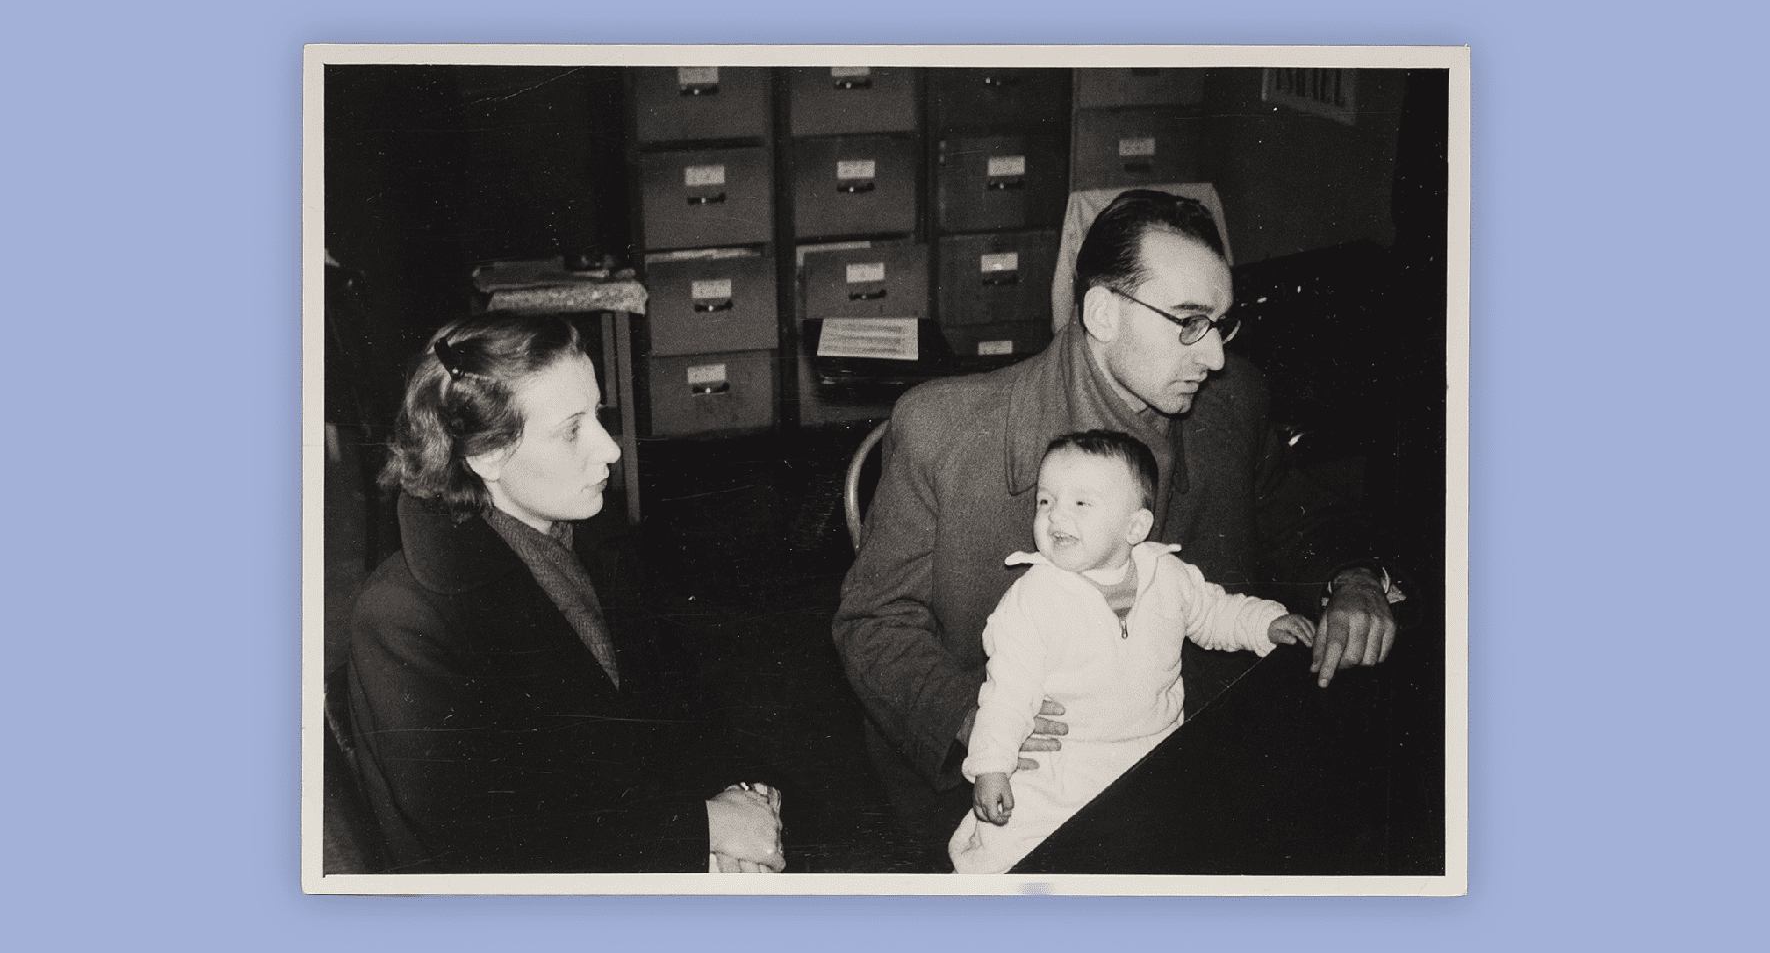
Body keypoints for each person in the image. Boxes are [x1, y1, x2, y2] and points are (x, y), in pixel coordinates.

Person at [832, 189, 1400, 867]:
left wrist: (1354, 577)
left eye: (1221, 325)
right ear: (1102, 312)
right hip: (1014, 789)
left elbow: (1296, 513)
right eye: (1189, 322)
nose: (1215, 357)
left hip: (1189, 755)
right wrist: (969, 719)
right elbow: (873, 624)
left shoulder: (1234, 403)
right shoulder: (945, 431)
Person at [343, 312, 784, 874]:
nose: (610, 450)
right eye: (572, 429)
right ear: (486, 454)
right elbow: (491, 839)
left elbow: (683, 703)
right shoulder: (404, 619)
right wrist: (707, 827)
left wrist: (740, 790)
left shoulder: (587, 537)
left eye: (598, 415)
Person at [949, 430, 1316, 873]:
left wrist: (1266, 623)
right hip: (1062, 770)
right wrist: (991, 766)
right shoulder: (1032, 600)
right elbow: (1006, 695)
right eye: (1045, 501)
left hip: (1154, 757)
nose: (1055, 515)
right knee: (1014, 853)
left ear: (1135, 527)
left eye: (1081, 503)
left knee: (1168, 851)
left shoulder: (1168, 575)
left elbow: (1216, 613)